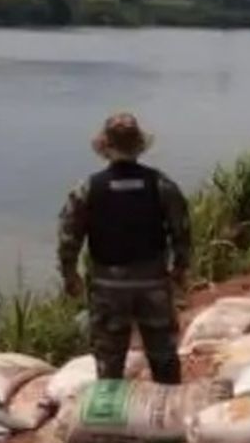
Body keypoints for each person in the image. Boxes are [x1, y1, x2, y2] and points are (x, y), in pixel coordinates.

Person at [57, 113, 190, 385]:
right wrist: (180, 269)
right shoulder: (161, 184)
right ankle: (167, 417)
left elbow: (69, 236)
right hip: (152, 283)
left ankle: (109, 419)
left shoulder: (88, 188)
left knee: (109, 361)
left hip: (108, 287)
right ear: (139, 145)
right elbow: (182, 231)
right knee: (163, 355)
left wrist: (70, 275)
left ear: (106, 146)